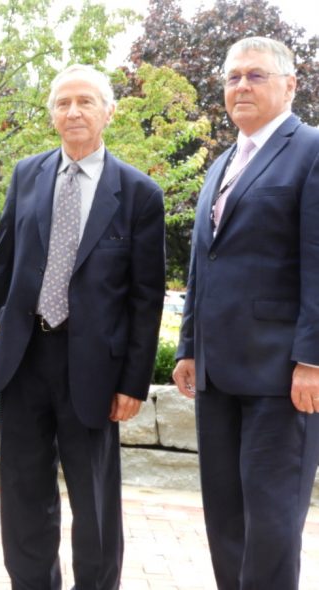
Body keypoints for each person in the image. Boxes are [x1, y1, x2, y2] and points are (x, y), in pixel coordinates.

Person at [0, 64, 166, 589]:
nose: (73, 112)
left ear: (109, 111)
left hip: (93, 370)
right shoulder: (27, 175)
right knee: (23, 493)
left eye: (85, 101)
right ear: (52, 116)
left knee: (95, 500)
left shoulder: (138, 193)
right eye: (63, 103)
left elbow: (146, 299)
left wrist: (133, 381)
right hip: (24, 360)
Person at [171, 36, 319, 590]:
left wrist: (313, 360)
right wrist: (188, 348)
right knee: (225, 518)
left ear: (290, 85)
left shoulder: (311, 150)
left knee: (273, 524)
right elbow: (200, 264)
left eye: (255, 76)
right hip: (218, 376)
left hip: (282, 378)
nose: (241, 87)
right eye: (232, 77)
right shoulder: (223, 163)